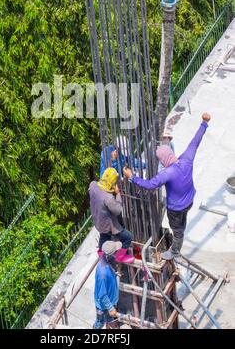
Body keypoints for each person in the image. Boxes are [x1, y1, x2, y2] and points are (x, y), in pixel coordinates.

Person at [123, 113, 211, 259]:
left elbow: (150, 185)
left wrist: (132, 177)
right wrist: (204, 123)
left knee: (176, 229)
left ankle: (175, 251)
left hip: (175, 207)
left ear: (163, 159)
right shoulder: (186, 159)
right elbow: (195, 142)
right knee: (182, 222)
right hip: (189, 200)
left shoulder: (167, 173)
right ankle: (180, 233)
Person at [89, 167, 134, 263]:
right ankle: (120, 256)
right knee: (128, 237)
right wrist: (117, 194)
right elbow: (117, 210)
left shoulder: (93, 186)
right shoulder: (108, 197)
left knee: (103, 237)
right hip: (109, 225)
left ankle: (102, 256)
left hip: (98, 221)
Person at [93, 240, 121, 329]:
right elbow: (102, 294)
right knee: (100, 323)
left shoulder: (106, 260)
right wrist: (110, 308)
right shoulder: (102, 274)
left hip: (111, 302)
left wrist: (114, 274)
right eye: (115, 252)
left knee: (110, 322)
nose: (117, 254)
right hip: (104, 306)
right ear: (109, 256)